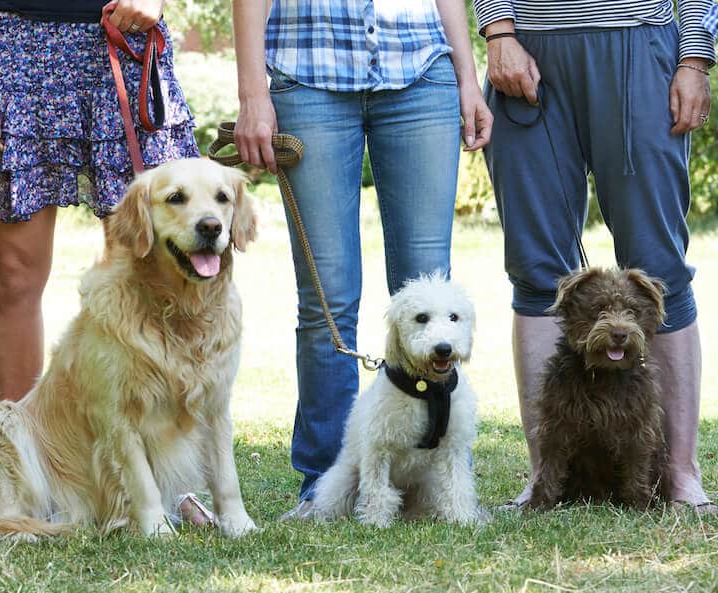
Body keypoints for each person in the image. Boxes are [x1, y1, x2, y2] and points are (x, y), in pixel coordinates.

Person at [0, 0, 213, 525]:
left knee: (147, 272)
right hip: (15, 43)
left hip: (120, 37)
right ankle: (23, 468)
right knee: (15, 276)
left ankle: (166, 478)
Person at [232, 0, 493, 517]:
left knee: (428, 294)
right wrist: (252, 92)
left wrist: (468, 77)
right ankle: (326, 485)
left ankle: (437, 486)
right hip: (308, 70)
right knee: (326, 300)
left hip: (421, 69)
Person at [474, 0, 716, 511]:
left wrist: (694, 60)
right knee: (537, 269)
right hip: (526, 45)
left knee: (660, 267)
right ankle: (545, 478)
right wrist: (497, 31)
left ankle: (680, 475)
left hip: (635, 41)